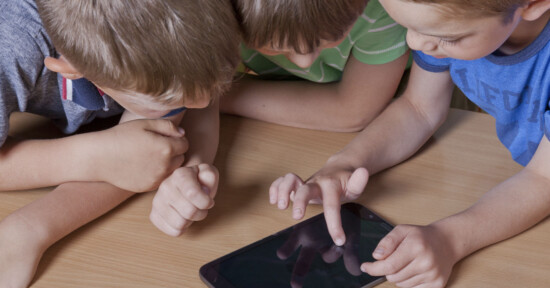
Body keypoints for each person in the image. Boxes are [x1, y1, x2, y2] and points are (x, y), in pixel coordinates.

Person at [268, 0, 550, 286]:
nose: (413, 41)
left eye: (447, 38)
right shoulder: (445, 21)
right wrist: (344, 164)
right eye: (408, 26)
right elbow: (419, 109)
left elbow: (544, 178)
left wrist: (451, 239)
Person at [0, 0, 240, 287]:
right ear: (71, 69)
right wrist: (92, 156)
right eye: (168, 98)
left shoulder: (183, 30)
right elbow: (128, 159)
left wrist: (196, 160)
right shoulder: (15, 38)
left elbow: (140, 158)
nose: (203, 102)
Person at [221, 0, 410, 132]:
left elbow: (354, 111)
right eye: (275, 47)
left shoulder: (384, 8)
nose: (305, 62)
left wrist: (221, 94)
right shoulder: (215, 10)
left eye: (330, 39)